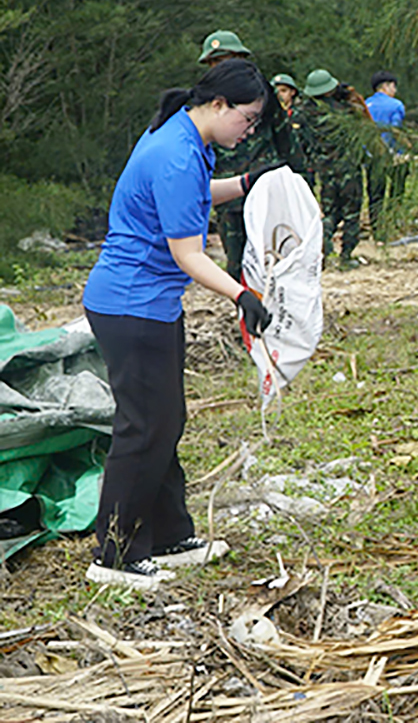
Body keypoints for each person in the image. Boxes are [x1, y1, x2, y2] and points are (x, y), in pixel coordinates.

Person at [81, 58, 277, 590]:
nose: (249, 129)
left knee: (166, 420)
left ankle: (168, 536)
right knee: (144, 427)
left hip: (154, 304)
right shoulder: (174, 153)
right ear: (218, 105)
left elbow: (188, 198)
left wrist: (245, 183)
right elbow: (188, 252)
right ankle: (114, 554)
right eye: (248, 118)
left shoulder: (188, 142)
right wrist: (242, 294)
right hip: (130, 305)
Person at [198, 30, 292, 282]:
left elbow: (285, 139)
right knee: (236, 262)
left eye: (226, 60)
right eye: (214, 63)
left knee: (272, 256)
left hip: (264, 186)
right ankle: (246, 313)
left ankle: (272, 315)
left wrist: (297, 179)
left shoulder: (262, 94)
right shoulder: (205, 99)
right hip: (228, 192)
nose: (220, 67)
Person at [298, 69, 367, 269]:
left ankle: (324, 251)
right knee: (351, 212)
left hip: (325, 169)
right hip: (349, 167)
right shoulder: (344, 109)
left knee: (329, 212)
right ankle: (346, 256)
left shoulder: (306, 112)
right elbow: (363, 123)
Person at [365, 70, 407, 234]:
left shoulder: (365, 104)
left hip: (371, 155)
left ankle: (376, 228)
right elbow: (395, 130)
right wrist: (408, 146)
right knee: (396, 190)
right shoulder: (396, 105)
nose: (395, 91)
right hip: (393, 154)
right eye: (393, 87)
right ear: (387, 86)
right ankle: (393, 222)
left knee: (375, 192)